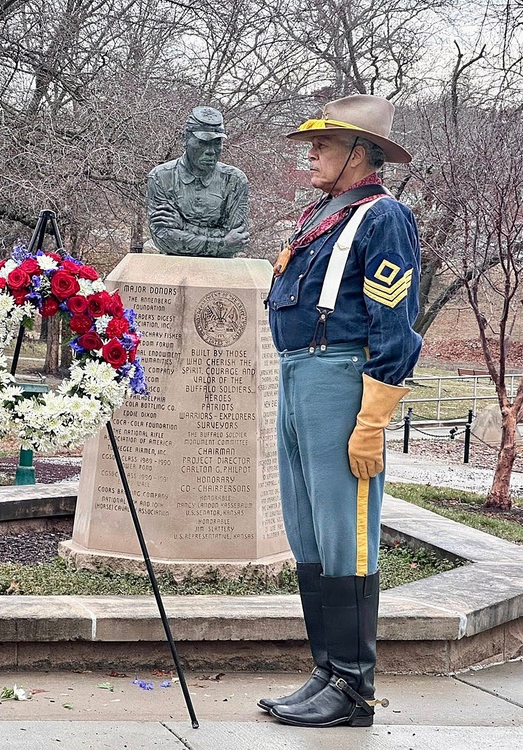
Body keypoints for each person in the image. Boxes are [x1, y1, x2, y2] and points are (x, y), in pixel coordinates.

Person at [260, 94, 422, 727]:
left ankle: (355, 687)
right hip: (299, 373)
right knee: (308, 529)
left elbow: (396, 326)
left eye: (325, 144)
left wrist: (373, 418)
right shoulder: (324, 213)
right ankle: (326, 668)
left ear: (362, 153)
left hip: (342, 378)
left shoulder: (383, 216)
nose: (312, 152)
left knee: (345, 531)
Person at [146, 106, 249, 256]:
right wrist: (222, 243)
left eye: (217, 143)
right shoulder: (161, 177)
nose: (211, 151)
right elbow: (164, 238)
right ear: (185, 139)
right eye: (203, 142)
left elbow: (237, 241)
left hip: (220, 271)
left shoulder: (235, 180)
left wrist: (182, 226)